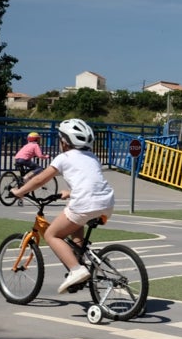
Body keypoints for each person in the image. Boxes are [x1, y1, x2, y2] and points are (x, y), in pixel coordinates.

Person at [11, 119, 115, 294]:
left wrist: (20, 192)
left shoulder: (63, 157)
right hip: (107, 202)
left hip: (84, 203)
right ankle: (80, 260)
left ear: (64, 142)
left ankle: (76, 269)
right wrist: (71, 193)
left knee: (52, 234)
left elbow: (39, 179)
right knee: (76, 222)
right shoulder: (93, 157)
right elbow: (90, 182)